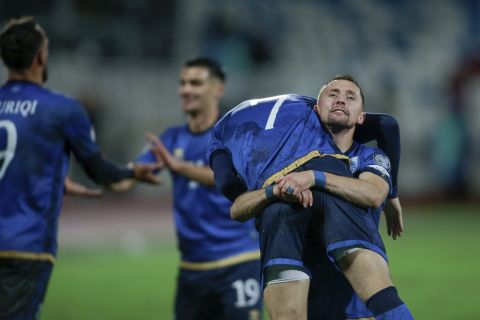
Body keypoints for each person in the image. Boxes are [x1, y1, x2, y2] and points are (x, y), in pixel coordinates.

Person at [208, 75, 412, 319]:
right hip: (306, 295)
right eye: (333, 94)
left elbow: (374, 191)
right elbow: (237, 205)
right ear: (316, 109)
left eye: (350, 97)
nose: (340, 100)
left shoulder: (370, 157)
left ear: (361, 116)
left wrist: (314, 178)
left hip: (352, 302)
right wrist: (275, 190)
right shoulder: (287, 172)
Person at [0, 17, 162, 320]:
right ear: (39, 57)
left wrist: (52, 179)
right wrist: (132, 173)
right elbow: (99, 172)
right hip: (26, 243)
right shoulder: (63, 109)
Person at [113, 57, 262, 320]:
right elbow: (122, 182)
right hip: (191, 269)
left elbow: (231, 179)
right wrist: (103, 166)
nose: (185, 90)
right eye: (182, 83)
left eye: (195, 83)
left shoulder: (236, 134)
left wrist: (178, 166)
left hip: (238, 262)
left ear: (218, 89)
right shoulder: (171, 138)